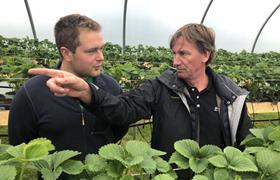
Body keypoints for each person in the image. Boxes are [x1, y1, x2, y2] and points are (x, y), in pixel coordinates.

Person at [28, 23, 252, 160]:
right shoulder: (160, 87)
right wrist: (87, 91)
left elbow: (244, 145)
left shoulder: (230, 96)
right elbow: (124, 109)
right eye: (173, 53)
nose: (175, 61)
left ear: (205, 54)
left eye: (183, 53)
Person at [8, 14, 128, 159]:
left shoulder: (111, 87)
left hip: (104, 177)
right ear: (66, 53)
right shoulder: (31, 93)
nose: (101, 57)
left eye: (101, 48)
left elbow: (120, 126)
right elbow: (20, 143)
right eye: (91, 51)